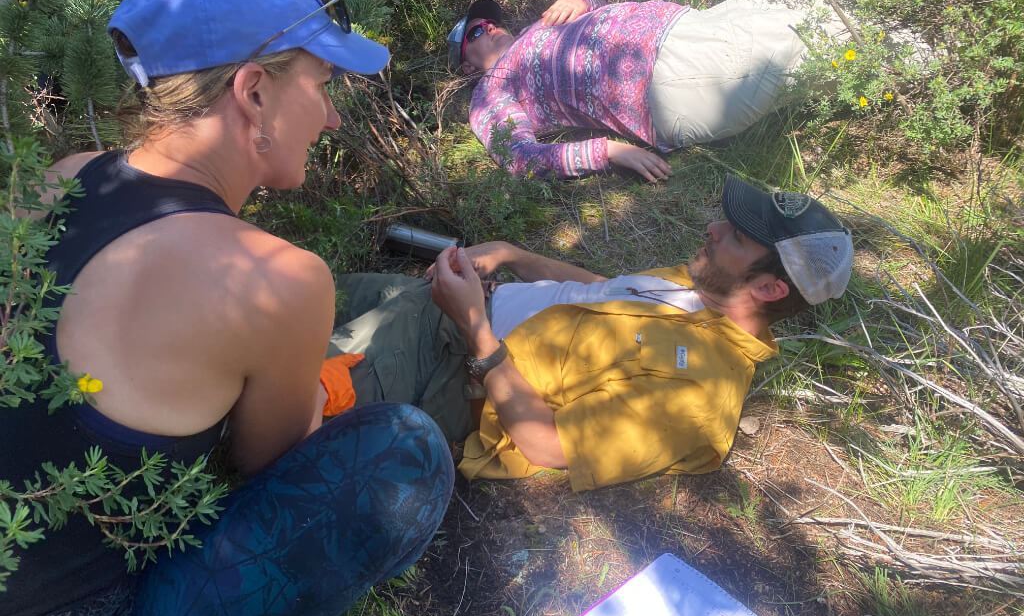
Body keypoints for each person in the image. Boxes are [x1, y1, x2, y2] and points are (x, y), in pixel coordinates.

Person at [0, 0, 453, 616]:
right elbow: (267, 465)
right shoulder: (279, 280)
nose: (331, 118)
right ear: (254, 91)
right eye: (323, 83)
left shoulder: (64, 176)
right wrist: (305, 386)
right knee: (404, 452)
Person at [330, 175, 854, 491]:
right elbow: (603, 291)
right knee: (309, 292)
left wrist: (475, 330)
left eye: (735, 236)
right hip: (451, 305)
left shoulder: (699, 399)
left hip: (447, 362)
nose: (712, 230)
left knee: (301, 379)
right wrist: (513, 255)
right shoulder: (700, 287)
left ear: (767, 289)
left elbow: (547, 444)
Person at [446, 0, 857, 182]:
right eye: (477, 31)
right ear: (466, 67)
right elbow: (520, 158)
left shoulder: (534, 31)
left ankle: (893, 30)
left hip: (690, 25)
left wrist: (582, 2)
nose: (491, 26)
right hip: (669, 76)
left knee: (803, 4)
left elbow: (598, 13)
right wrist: (608, 151)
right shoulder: (490, 93)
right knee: (806, 40)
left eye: (490, 21)